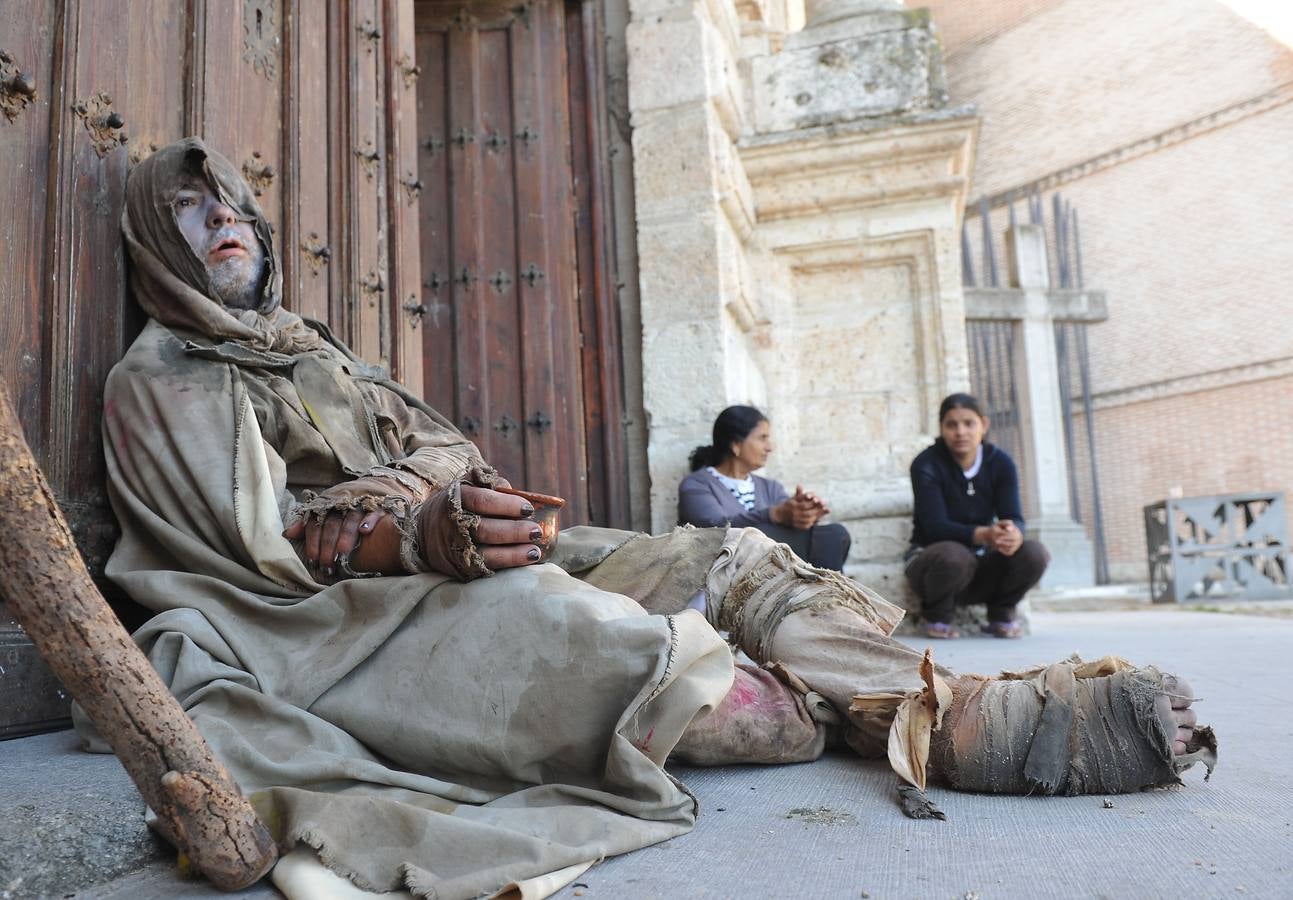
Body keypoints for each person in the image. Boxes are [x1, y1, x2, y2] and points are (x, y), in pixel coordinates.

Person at [92, 139, 1213, 900]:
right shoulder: (161, 381)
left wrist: (454, 511)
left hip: (460, 557)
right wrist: (409, 535)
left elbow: (449, 457)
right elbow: (252, 554)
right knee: (604, 647)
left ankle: (949, 709)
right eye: (191, 208)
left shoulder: (322, 354)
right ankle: (904, 715)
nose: (223, 217)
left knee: (727, 558)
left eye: (233, 202)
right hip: (339, 628)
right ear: (156, 242)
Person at [905, 393, 1050, 639]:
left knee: (1035, 553)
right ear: (942, 428)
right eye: (952, 425)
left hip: (981, 567)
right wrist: (984, 534)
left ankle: (1001, 613)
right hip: (935, 568)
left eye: (968, 423)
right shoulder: (926, 464)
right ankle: (937, 615)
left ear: (983, 424)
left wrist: (1013, 533)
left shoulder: (1001, 463)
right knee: (954, 555)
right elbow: (934, 527)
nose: (960, 432)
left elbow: (1013, 516)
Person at [678, 405, 852, 571]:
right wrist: (774, 515)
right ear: (736, 444)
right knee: (759, 537)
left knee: (834, 534)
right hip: (725, 569)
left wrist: (804, 514)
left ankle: (824, 591)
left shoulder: (770, 487)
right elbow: (716, 530)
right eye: (762, 438)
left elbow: (789, 520)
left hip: (776, 570)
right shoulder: (696, 484)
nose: (770, 447)